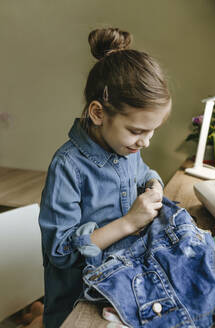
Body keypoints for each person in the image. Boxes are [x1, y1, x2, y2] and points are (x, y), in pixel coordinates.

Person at [38, 27, 171, 328]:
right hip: (79, 302)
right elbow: (61, 252)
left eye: (153, 131)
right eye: (137, 131)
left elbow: (143, 171)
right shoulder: (68, 167)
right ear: (98, 113)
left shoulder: (125, 148)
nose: (145, 142)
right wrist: (128, 223)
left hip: (121, 284)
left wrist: (154, 184)